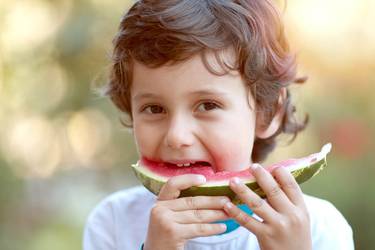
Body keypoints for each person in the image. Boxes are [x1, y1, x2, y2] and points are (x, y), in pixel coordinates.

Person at [83, 0, 354, 249]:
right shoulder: (114, 223)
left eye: (208, 105)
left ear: (268, 112)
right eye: (154, 109)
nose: (177, 136)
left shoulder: (318, 228)